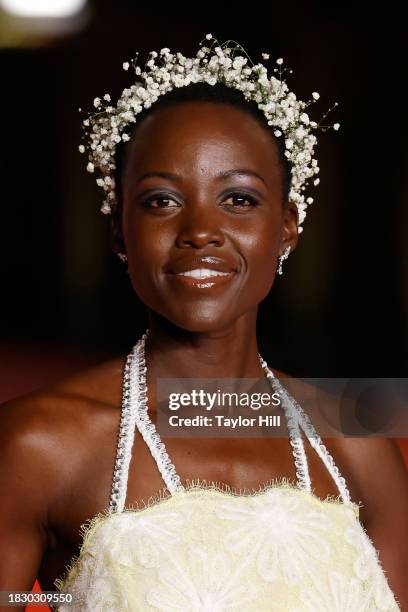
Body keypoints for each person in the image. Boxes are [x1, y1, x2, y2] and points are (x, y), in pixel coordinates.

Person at [0, 35, 407, 611]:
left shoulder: (357, 441)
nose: (201, 231)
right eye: (162, 200)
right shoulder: (40, 444)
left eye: (238, 199)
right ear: (120, 232)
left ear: (287, 226)